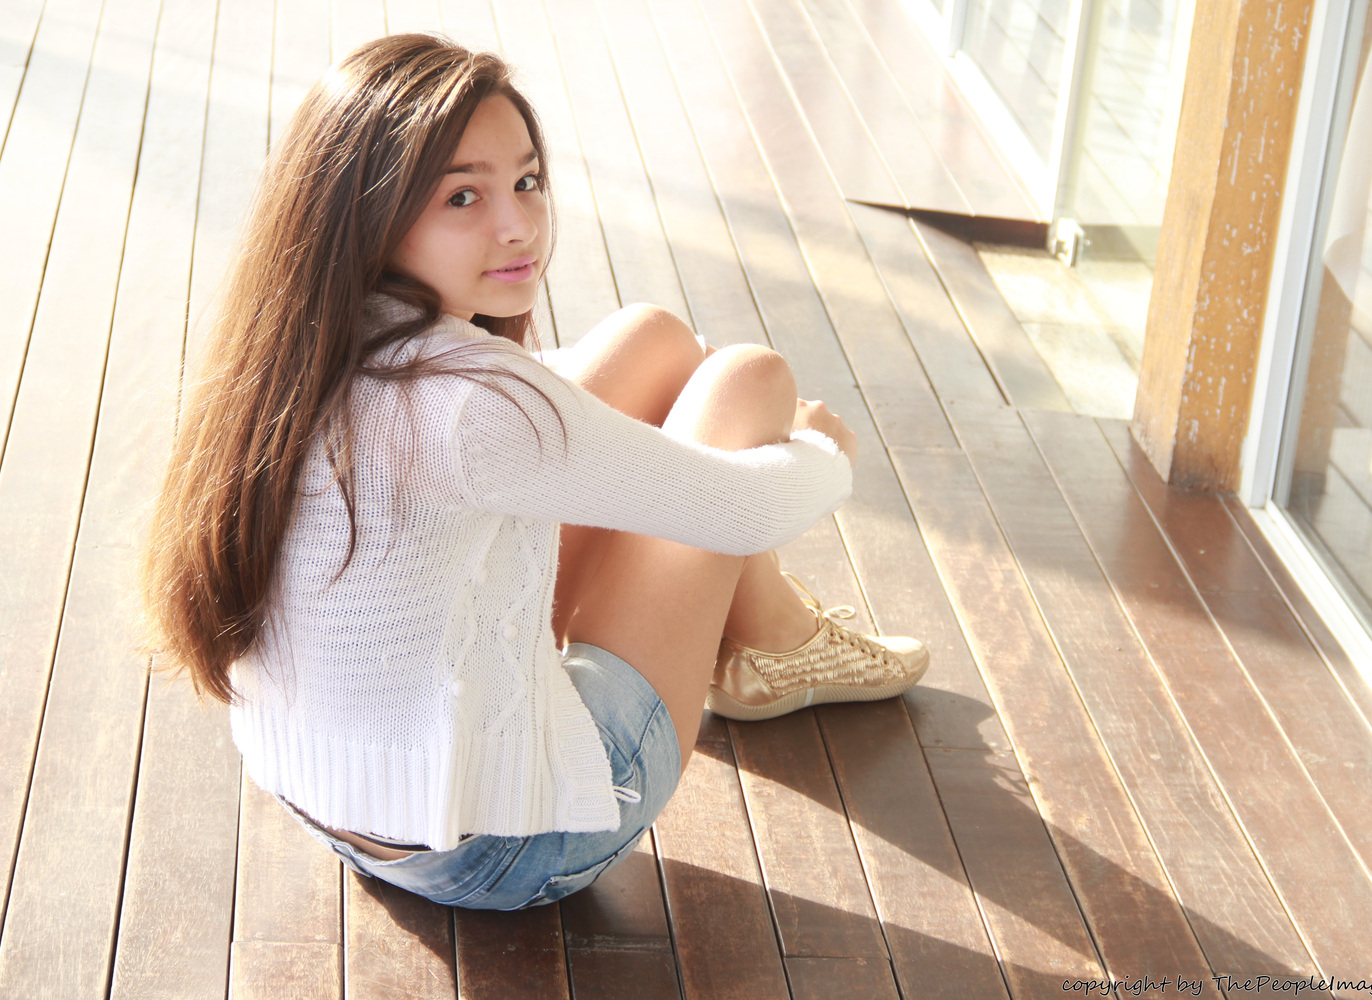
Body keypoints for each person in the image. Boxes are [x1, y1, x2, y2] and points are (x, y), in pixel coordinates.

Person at [141, 33, 928, 911]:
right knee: (749, 382)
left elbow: (517, 427)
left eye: (526, 181)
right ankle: (778, 646)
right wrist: (822, 448)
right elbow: (748, 511)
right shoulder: (477, 407)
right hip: (504, 852)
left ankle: (775, 643)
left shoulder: (297, 345)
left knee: (654, 340)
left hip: (329, 802)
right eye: (463, 196)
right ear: (368, 213)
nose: (518, 225)